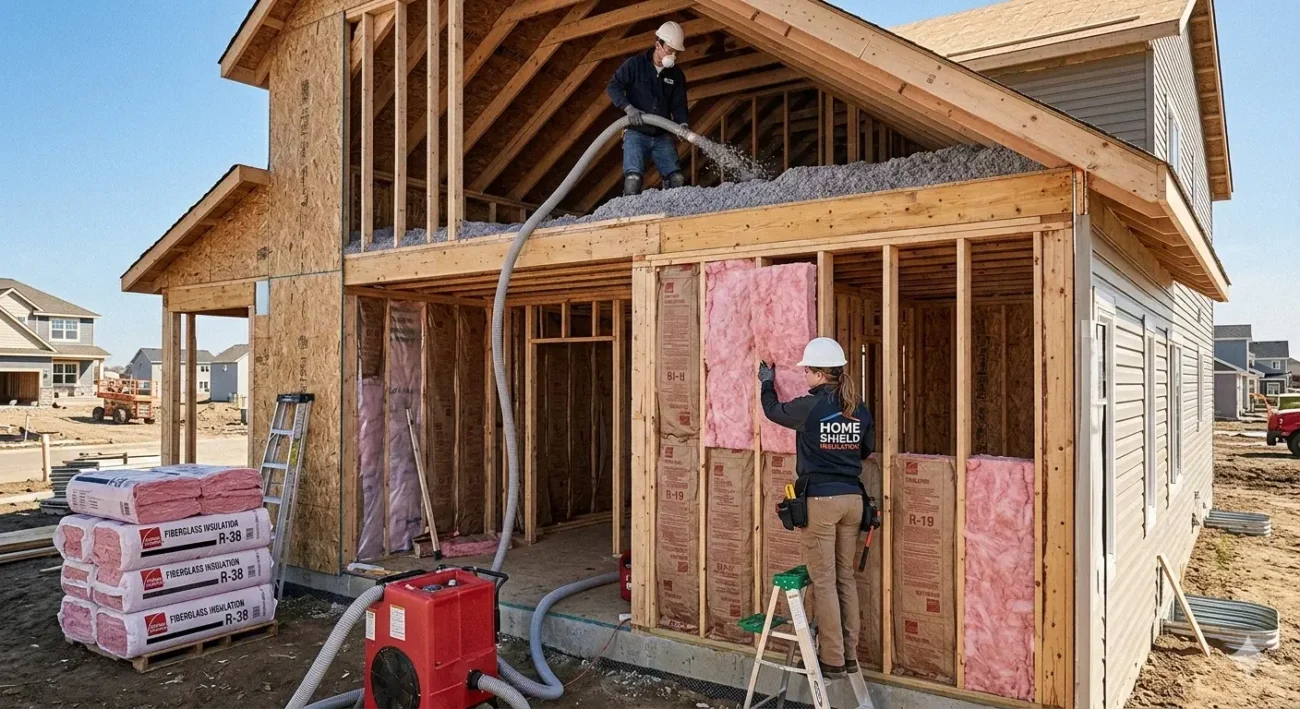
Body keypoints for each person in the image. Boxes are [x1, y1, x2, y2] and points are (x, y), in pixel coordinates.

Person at [758, 337, 875, 677]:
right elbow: (865, 450)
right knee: (844, 578)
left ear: (821, 374)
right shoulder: (858, 407)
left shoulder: (811, 407)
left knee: (823, 581)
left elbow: (773, 411)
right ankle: (848, 655)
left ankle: (832, 661)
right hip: (853, 500)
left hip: (822, 502)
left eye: (807, 370)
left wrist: (766, 383)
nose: (805, 375)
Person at [605, 21, 689, 197]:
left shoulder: (676, 75)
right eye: (670, 50)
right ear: (658, 45)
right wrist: (628, 108)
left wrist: (682, 124)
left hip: (661, 135)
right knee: (633, 180)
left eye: (676, 52)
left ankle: (671, 209)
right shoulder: (635, 64)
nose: (673, 56)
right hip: (636, 132)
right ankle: (630, 210)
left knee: (677, 179)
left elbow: (679, 104)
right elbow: (613, 86)